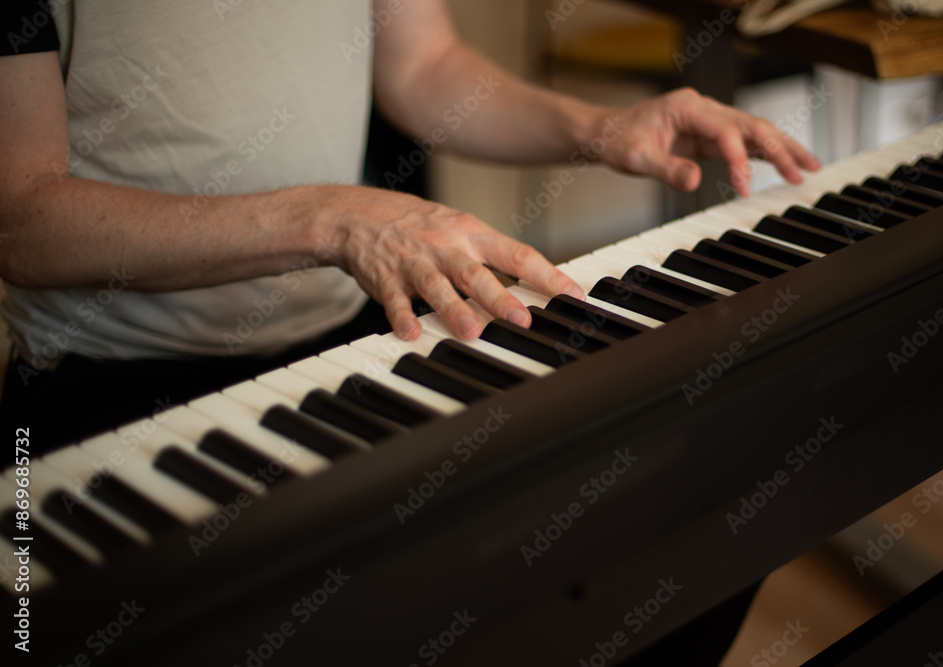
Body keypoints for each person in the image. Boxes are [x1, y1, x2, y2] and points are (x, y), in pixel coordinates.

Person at [0, 0, 818, 451]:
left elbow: (424, 67)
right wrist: (331, 216)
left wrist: (599, 129)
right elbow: (22, 218)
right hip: (105, 385)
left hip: (334, 349)